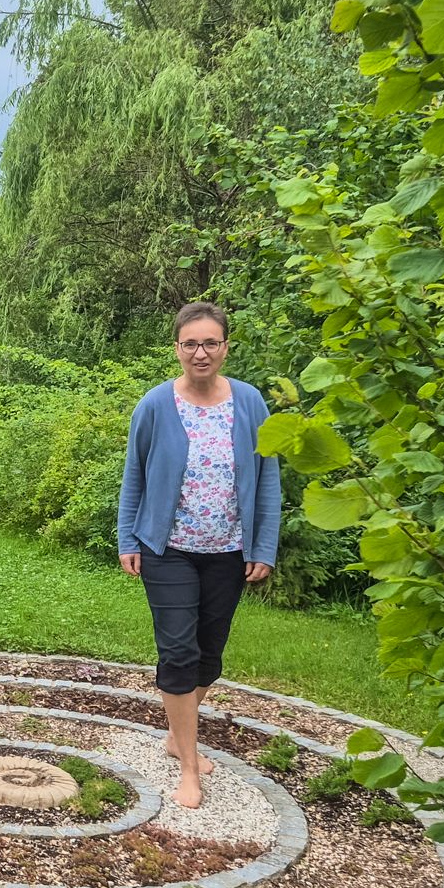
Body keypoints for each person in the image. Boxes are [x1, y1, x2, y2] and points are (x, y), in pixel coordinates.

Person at [116, 301, 280, 810]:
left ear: (226, 347)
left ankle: (174, 735)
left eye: (210, 342)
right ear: (178, 349)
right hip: (167, 550)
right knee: (179, 652)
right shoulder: (156, 405)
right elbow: (135, 476)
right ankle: (189, 765)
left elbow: (269, 481)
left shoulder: (251, 404)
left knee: (209, 654)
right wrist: (127, 538)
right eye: (191, 343)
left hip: (229, 550)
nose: (201, 352)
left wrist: (263, 546)